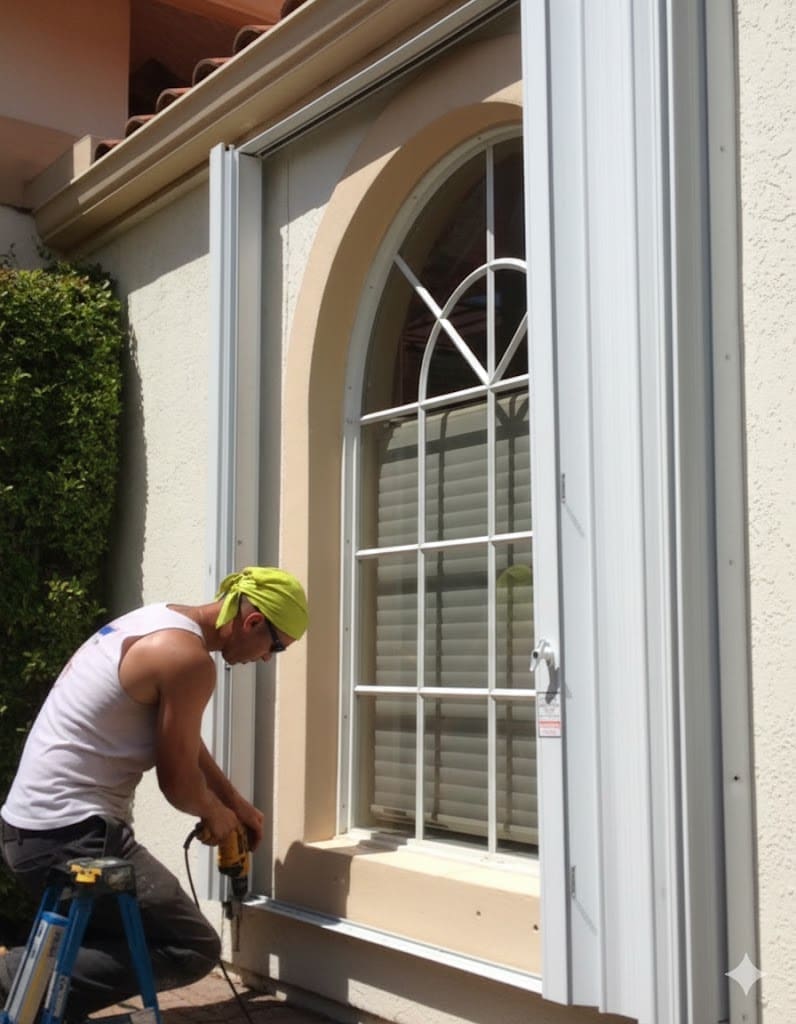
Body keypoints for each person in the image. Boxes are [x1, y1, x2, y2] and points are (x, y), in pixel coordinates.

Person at [0, 566, 308, 1021]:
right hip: (70, 836)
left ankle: (48, 994)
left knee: (120, 935)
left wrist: (235, 804)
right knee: (193, 946)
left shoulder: (161, 621)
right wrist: (213, 814)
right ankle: (12, 979)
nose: (268, 659)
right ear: (253, 621)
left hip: (27, 830)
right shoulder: (189, 662)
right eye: (276, 646)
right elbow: (178, 784)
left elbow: (180, 738)